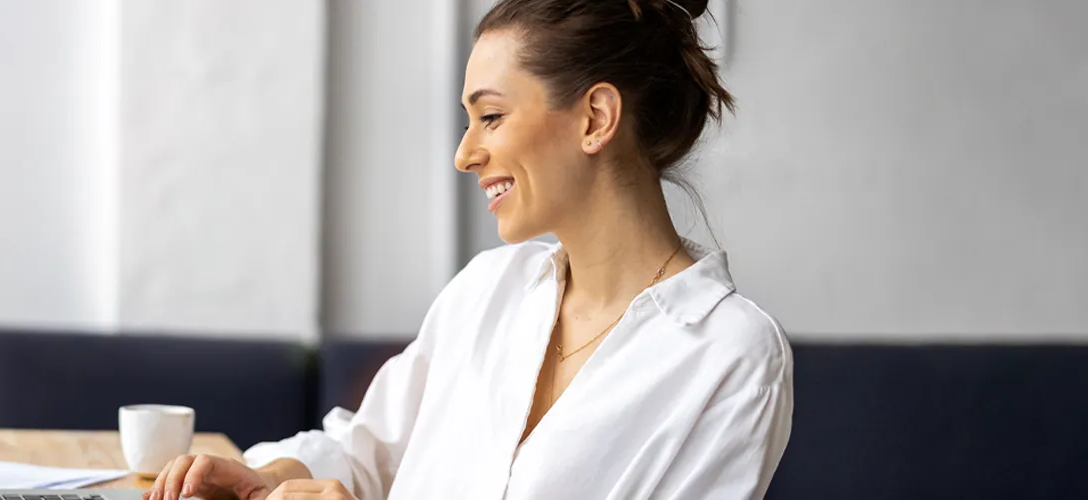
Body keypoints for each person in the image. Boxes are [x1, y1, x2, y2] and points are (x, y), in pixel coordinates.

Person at [146, 0, 792, 498]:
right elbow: (369, 450)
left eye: (490, 117)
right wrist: (261, 476)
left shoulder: (728, 357)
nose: (464, 154)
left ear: (595, 118)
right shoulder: (488, 291)